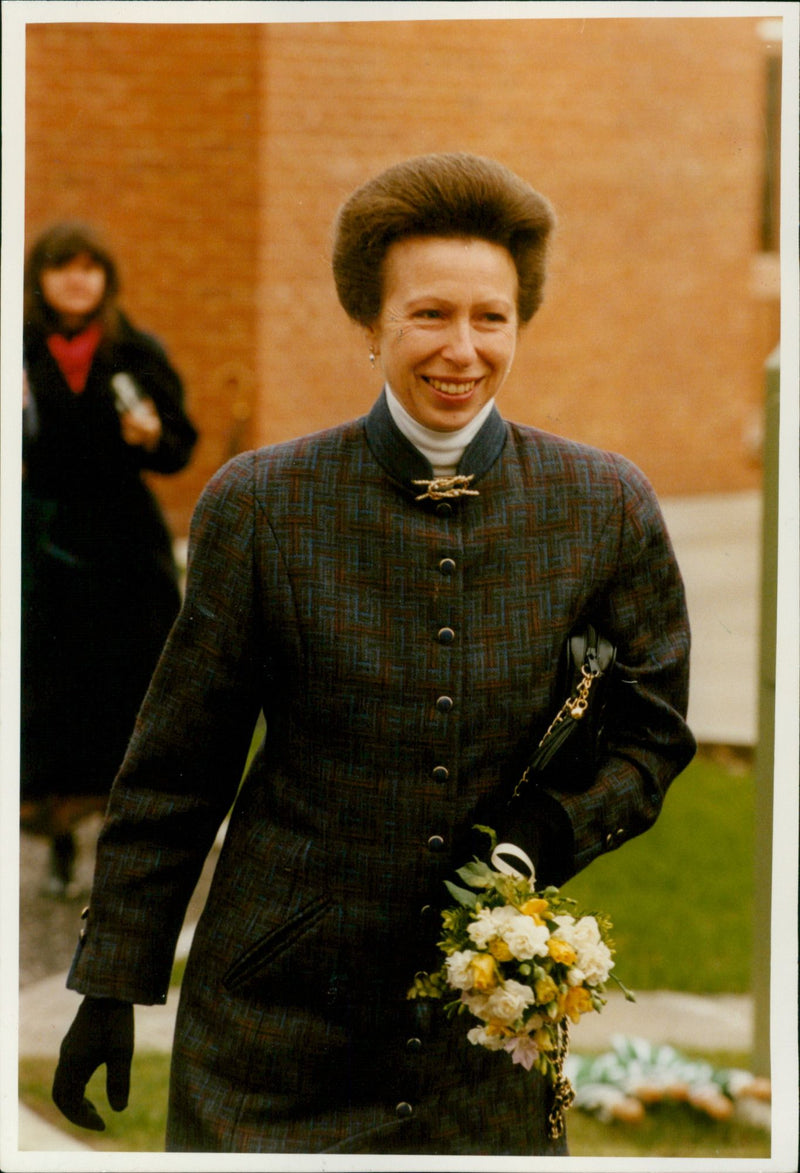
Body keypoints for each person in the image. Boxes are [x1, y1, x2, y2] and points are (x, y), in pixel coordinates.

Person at [51, 154, 695, 1155]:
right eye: (428, 314)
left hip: (481, 1032)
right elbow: (180, 762)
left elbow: (648, 733)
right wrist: (111, 977)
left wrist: (539, 835)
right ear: (369, 320)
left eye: (491, 317)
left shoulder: (601, 504)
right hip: (272, 1021)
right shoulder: (261, 503)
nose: (461, 349)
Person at [21, 222, 198, 897]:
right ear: (40, 278)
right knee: (50, 687)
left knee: (131, 681)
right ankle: (56, 831)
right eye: (63, 268)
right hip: (42, 537)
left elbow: (179, 442)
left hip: (122, 544)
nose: (76, 281)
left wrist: (154, 436)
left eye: (90, 269)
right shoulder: (23, 347)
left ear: (106, 280)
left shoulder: (134, 351)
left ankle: (127, 833)